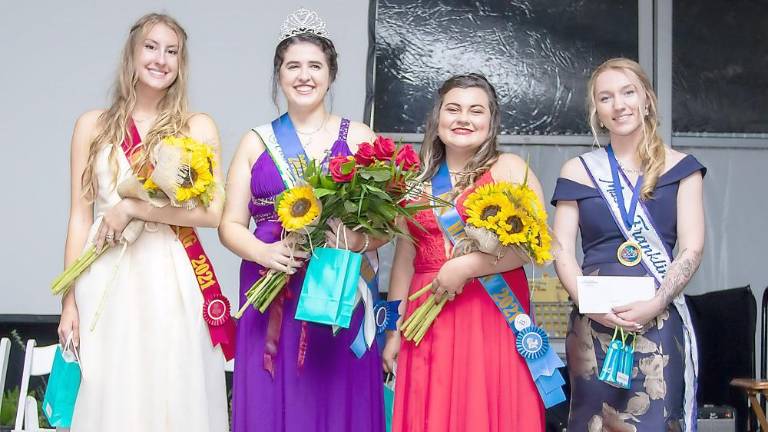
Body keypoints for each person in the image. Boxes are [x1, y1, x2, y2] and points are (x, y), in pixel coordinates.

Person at [56, 13, 229, 431]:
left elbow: (212, 213)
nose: (160, 59)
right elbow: (79, 218)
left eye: (172, 52)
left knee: (173, 378)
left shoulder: (196, 126)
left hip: (171, 272)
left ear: (181, 65)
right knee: (111, 385)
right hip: (105, 273)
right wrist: (68, 301)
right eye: (151, 47)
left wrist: (133, 208)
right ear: (131, 55)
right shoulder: (91, 126)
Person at [218, 8, 385, 432]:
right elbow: (229, 224)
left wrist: (352, 239)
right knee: (273, 397)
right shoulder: (256, 142)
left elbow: (385, 225)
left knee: (333, 396)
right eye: (293, 66)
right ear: (279, 75)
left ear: (331, 74)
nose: (304, 75)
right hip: (272, 283)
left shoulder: (361, 138)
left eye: (315, 65)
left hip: (338, 288)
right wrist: (265, 252)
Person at [383, 73, 546, 432]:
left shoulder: (510, 169)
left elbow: (535, 247)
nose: (463, 119)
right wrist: (393, 330)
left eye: (476, 111)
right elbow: (404, 260)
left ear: (491, 122)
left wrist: (467, 266)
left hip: (490, 313)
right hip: (426, 317)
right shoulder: (415, 178)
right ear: (437, 118)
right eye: (453, 109)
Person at [551, 57, 705, 431]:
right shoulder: (577, 170)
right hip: (592, 328)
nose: (619, 105)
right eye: (606, 98)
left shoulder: (683, 168)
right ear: (598, 113)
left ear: (647, 100)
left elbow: (692, 249)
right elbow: (560, 250)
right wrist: (592, 306)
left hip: (658, 322)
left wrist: (654, 303)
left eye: (628, 92)